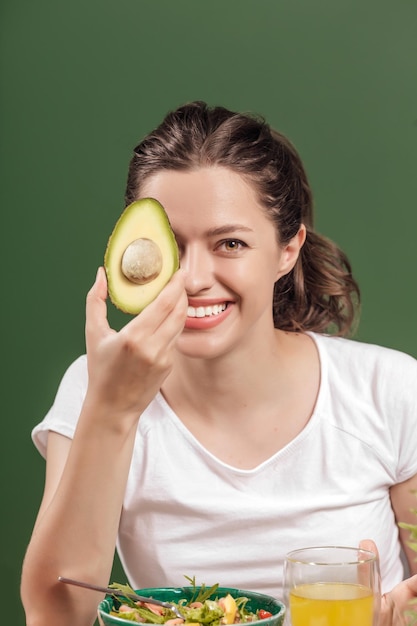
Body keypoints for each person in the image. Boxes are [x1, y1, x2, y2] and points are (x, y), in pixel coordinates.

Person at [21, 101, 417, 626]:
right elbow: (56, 615)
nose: (192, 278)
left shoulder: (388, 389)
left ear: (287, 249)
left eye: (230, 243)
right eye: (169, 246)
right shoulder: (95, 385)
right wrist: (113, 409)